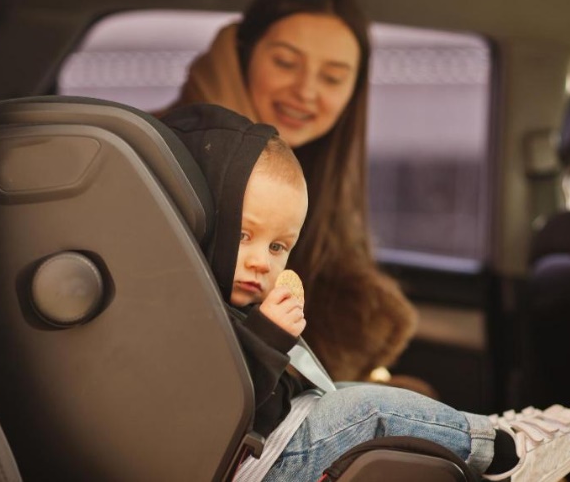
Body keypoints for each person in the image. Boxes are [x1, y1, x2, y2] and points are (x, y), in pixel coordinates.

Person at [160, 102, 570, 482]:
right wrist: (267, 338)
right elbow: (217, 403)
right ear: (203, 223)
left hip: (270, 442)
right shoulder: (184, 311)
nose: (260, 262)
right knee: (365, 410)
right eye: (244, 234)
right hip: (254, 464)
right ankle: (503, 453)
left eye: (277, 247)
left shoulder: (226, 305)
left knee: (356, 394)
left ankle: (489, 430)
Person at [159, 0, 421, 385]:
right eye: (285, 63)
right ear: (241, 57)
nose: (306, 91)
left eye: (332, 77)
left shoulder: (317, 178)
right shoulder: (170, 165)